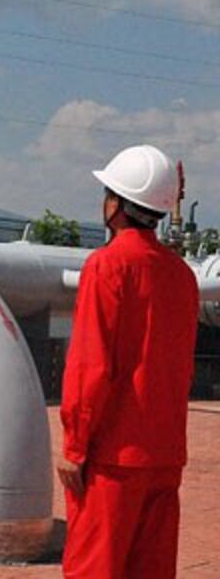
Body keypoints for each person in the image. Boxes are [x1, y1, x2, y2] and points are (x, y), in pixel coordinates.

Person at [57, 144, 199, 578]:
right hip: (164, 454)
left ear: (116, 204)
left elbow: (91, 366)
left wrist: (75, 446)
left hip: (112, 459)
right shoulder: (183, 276)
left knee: (94, 568)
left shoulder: (107, 266)